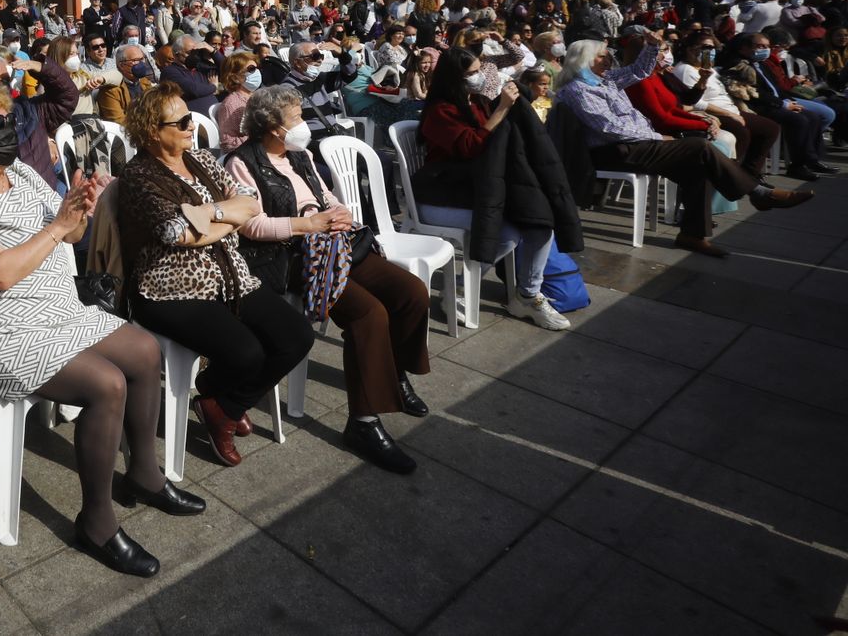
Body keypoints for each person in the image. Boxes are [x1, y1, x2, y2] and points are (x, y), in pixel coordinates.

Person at [0, 85, 203, 577]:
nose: (12, 131)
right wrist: (57, 227)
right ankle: (96, 521)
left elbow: (69, 233)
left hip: (57, 309)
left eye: (11, 120)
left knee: (143, 351)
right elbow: (0, 273)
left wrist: (78, 210)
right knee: (107, 383)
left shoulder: (25, 175)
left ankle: (144, 473)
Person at [223, 85, 431, 473]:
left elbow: (326, 194)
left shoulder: (298, 155)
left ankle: (395, 372)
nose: (302, 124)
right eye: (296, 118)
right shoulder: (243, 162)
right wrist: (308, 224)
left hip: (334, 244)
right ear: (271, 125)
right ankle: (364, 423)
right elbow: (250, 224)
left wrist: (339, 213)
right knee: (368, 314)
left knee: (411, 292)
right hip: (292, 256)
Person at [117, 81, 315, 469]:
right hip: (169, 287)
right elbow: (176, 236)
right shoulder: (139, 177)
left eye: (191, 118)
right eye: (183, 121)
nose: (193, 126)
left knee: (296, 336)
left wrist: (211, 216)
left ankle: (219, 403)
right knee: (246, 352)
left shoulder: (200, 160)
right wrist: (225, 215)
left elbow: (249, 202)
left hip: (229, 276)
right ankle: (221, 402)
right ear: (154, 131)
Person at [555, 33, 812, 257]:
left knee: (696, 166)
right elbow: (609, 128)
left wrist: (652, 46)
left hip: (636, 144)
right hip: (612, 151)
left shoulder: (606, 80)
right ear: (585, 59)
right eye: (601, 56)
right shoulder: (579, 89)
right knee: (698, 148)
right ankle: (758, 192)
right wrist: (658, 137)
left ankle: (693, 235)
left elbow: (639, 70)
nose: (608, 59)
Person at [417, 49, 578, 330]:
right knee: (507, 231)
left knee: (539, 221)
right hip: (443, 192)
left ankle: (528, 294)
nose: (477, 77)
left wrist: (516, 100)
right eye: (470, 74)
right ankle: (460, 286)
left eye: (478, 70)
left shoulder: (478, 101)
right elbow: (470, 146)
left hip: (479, 187)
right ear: (454, 77)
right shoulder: (439, 110)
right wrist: (502, 108)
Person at [0, 51, 76, 189]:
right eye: (2, 81)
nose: (7, 85)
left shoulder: (28, 110)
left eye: (8, 79)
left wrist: (41, 68)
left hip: (45, 197)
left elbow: (68, 97)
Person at [725, 32, 834, 180]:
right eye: (760, 46)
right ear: (743, 48)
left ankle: (811, 160)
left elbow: (776, 88)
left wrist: (789, 101)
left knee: (812, 116)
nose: (765, 49)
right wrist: (782, 104)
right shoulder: (737, 65)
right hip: (758, 106)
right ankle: (797, 166)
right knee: (799, 120)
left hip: (776, 102)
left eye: (766, 46)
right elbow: (754, 93)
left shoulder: (761, 64)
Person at [669, 36, 777, 178]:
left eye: (712, 48)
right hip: (711, 112)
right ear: (690, 49)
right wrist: (729, 114)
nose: (710, 51)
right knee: (741, 132)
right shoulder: (685, 70)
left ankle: (750, 174)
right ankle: (730, 176)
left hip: (731, 109)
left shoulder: (708, 68)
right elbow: (695, 102)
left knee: (770, 128)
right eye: (705, 47)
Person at [213, 51, 261, 152]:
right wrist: (261, 139)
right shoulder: (231, 104)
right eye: (251, 69)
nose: (257, 72)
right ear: (235, 77)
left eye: (256, 68)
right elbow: (228, 143)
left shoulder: (258, 96)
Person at [159, 35, 219, 115]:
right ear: (176, 54)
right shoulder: (169, 71)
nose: (194, 55)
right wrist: (213, 87)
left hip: (215, 114)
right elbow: (193, 90)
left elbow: (228, 68)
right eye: (190, 52)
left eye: (196, 51)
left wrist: (212, 51)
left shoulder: (199, 67)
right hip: (194, 120)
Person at [97, 43, 152, 124]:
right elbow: (119, 122)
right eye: (135, 60)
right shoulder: (110, 91)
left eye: (141, 59)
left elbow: (155, 107)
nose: (141, 64)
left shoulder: (144, 81)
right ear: (122, 65)